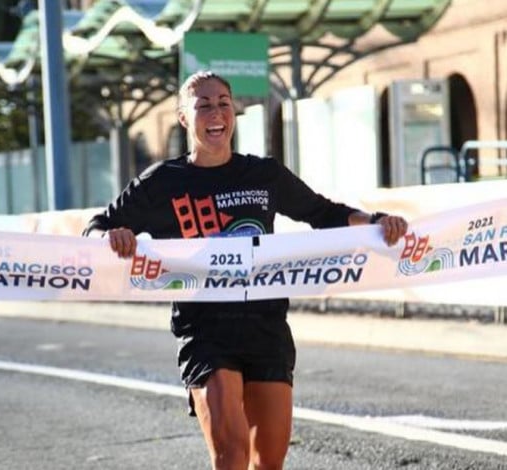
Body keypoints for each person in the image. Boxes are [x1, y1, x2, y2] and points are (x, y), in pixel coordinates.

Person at [84, 70, 408, 470]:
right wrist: (111, 237)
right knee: (231, 455)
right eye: (203, 105)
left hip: (266, 325)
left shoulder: (264, 174)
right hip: (204, 331)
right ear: (184, 118)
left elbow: (322, 212)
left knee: (267, 463)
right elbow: (97, 227)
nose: (216, 112)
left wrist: (376, 221)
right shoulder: (162, 182)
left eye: (223, 103)